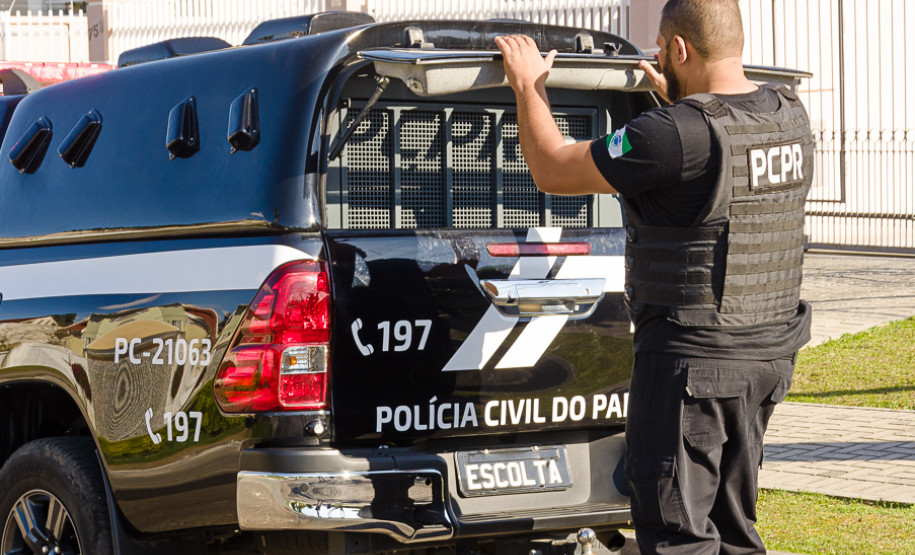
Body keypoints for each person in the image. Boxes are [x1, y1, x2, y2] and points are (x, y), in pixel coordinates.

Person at [495, 1, 813, 553]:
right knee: (734, 530)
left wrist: (529, 87)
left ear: (680, 49)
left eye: (663, 49)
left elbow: (550, 166)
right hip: (766, 358)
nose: (659, 57)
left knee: (677, 536)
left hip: (693, 366)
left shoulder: (672, 134)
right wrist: (685, 107)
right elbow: (716, 165)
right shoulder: (789, 114)